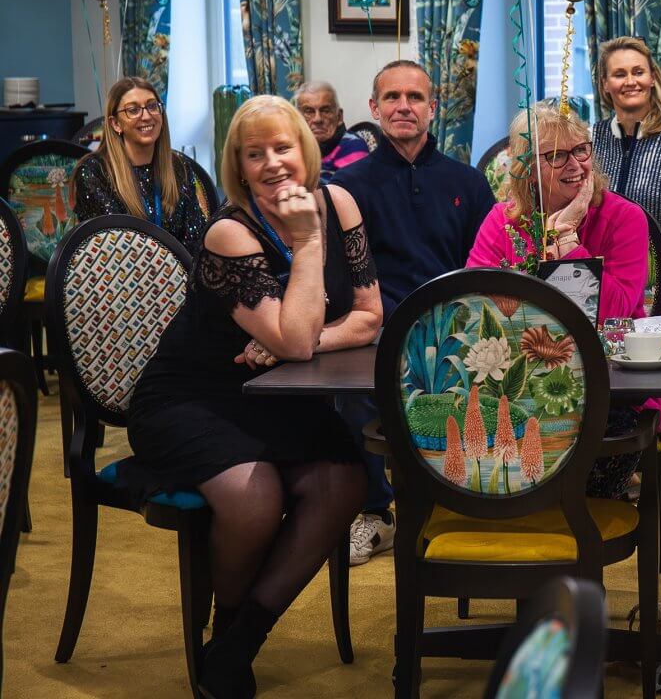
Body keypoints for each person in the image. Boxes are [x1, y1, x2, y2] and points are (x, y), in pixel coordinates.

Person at [127, 95, 383, 696]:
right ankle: (229, 631)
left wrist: (302, 343)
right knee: (255, 498)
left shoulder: (340, 203)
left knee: (345, 481)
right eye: (254, 153)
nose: (272, 163)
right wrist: (308, 244)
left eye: (283, 147)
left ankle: (238, 641)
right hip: (191, 399)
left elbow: (369, 315)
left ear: (307, 150)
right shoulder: (229, 232)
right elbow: (291, 338)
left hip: (278, 396)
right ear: (238, 167)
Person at [333, 59, 495, 564]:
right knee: (351, 392)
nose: (404, 106)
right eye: (392, 97)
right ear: (374, 107)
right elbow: (341, 278)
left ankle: (462, 502)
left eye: (415, 97)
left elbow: (486, 269)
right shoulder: (346, 186)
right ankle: (375, 513)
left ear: (433, 107)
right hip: (377, 328)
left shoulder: (468, 183)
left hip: (456, 329)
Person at [468, 102, 651, 497]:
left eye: (581, 150)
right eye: (556, 155)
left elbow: (614, 311)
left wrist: (567, 241)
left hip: (607, 384)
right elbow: (475, 308)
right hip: (515, 383)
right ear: (526, 167)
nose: (575, 165)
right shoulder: (502, 221)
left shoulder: (624, 217)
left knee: (582, 481)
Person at [590, 36, 661, 311]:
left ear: (652, 78)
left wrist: (641, 276)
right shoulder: (592, 137)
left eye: (638, 72)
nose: (631, 81)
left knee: (635, 327)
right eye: (619, 74)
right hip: (603, 280)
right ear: (605, 84)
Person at [73, 76, 209, 253]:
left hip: (180, 269)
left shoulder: (179, 166)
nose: (146, 116)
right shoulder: (95, 172)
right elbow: (113, 246)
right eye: (133, 110)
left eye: (152, 106)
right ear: (116, 124)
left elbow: (196, 240)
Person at [293, 81, 371, 183]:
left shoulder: (353, 146)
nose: (317, 119)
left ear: (339, 117)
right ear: (297, 118)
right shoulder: (295, 146)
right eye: (309, 111)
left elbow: (353, 189)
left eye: (325, 111)